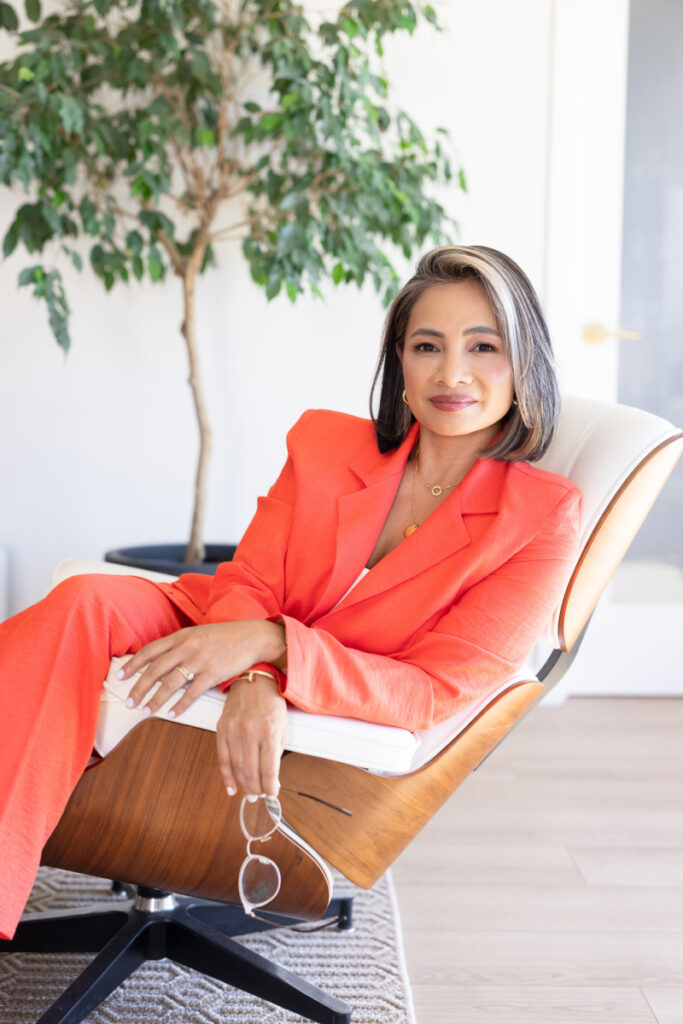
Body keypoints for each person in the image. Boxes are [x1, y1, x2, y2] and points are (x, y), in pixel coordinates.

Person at [0, 245, 581, 940]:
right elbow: (249, 578)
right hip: (220, 627)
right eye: (427, 346)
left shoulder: (540, 517)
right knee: (83, 601)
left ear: (524, 364)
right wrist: (254, 673)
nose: (451, 373)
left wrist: (275, 650)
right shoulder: (325, 443)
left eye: (483, 347)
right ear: (400, 363)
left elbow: (433, 690)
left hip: (336, 703)